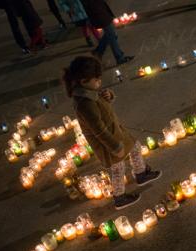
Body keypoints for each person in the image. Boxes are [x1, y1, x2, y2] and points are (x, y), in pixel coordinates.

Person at [63, 56, 161, 209]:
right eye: (96, 80)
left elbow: (103, 104)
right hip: (108, 143)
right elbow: (99, 130)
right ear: (83, 81)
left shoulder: (90, 92)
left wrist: (109, 95)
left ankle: (141, 173)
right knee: (118, 169)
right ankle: (119, 197)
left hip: (116, 133)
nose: (99, 82)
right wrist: (115, 147)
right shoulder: (84, 103)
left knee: (135, 147)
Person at [80, 0, 133, 65]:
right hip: (99, 15)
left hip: (102, 13)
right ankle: (120, 58)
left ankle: (98, 51)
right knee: (112, 35)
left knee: (111, 35)